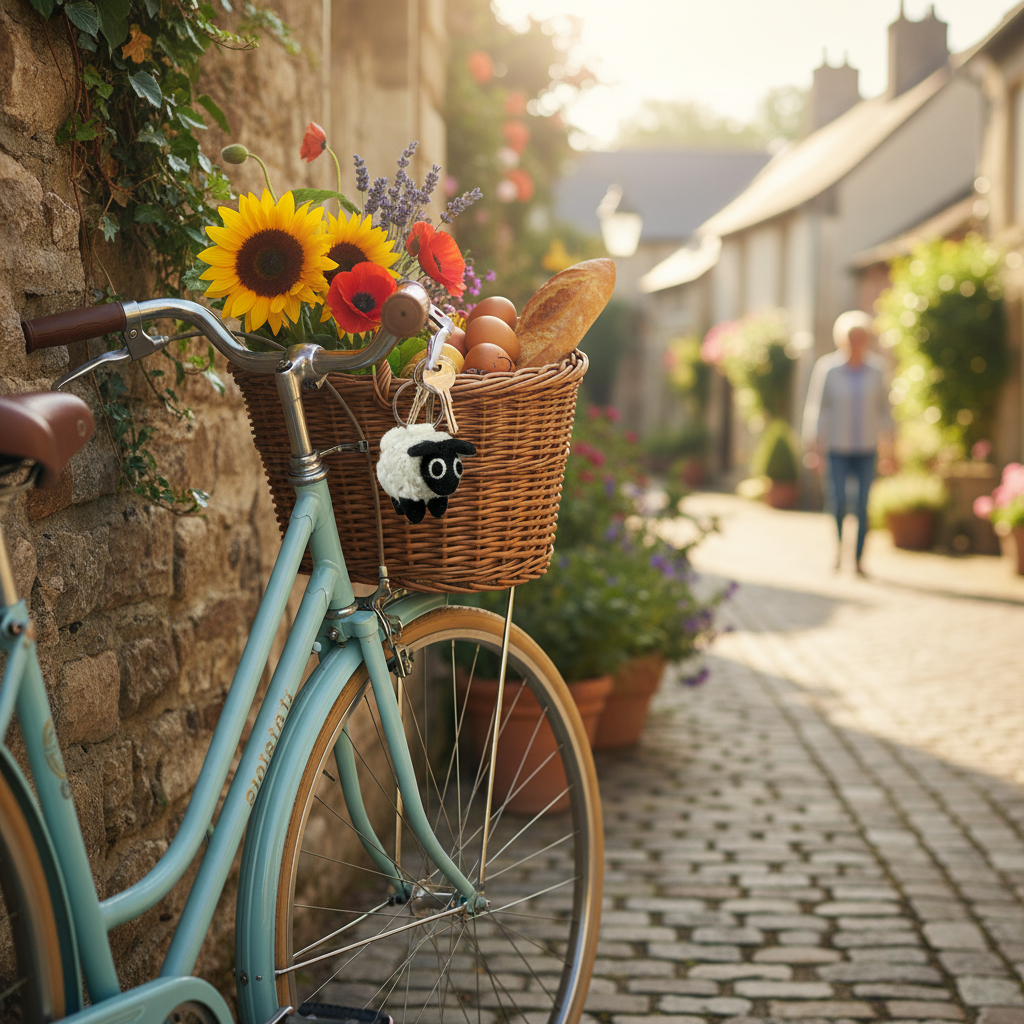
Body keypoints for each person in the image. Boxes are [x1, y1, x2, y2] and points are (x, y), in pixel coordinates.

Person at [801, 310, 893, 575]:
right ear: (841, 339)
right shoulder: (827, 369)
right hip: (836, 448)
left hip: (866, 448)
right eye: (851, 337)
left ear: (867, 339)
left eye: (861, 337)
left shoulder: (877, 370)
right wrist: (814, 449)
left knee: (863, 506)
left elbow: (885, 411)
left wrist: (890, 448)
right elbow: (818, 410)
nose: (856, 342)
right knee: (839, 502)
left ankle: (859, 559)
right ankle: (840, 549)